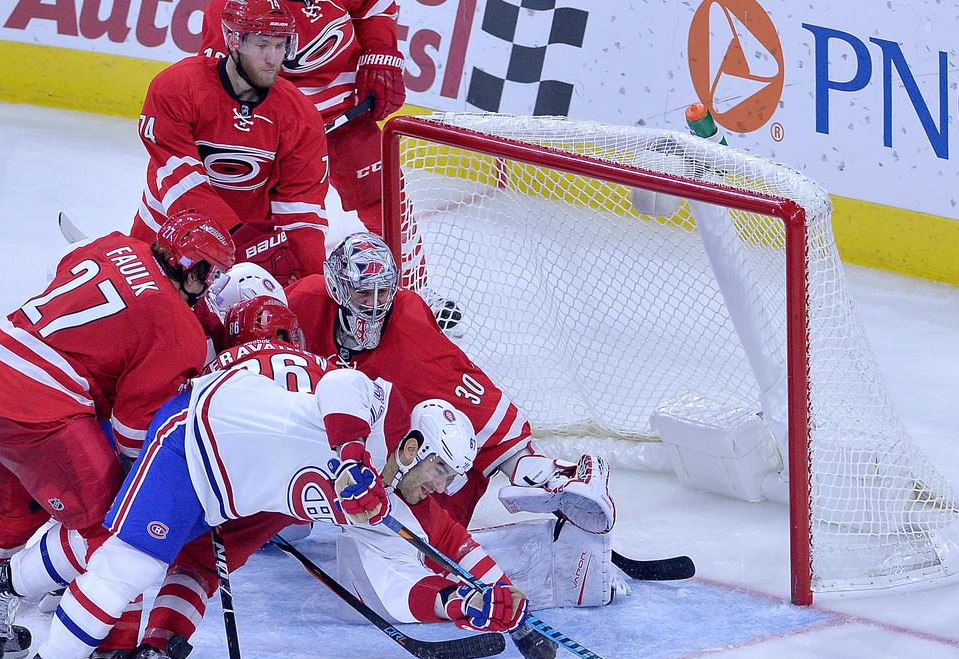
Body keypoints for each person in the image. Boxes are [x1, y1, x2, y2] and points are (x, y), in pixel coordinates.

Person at [0, 355, 526, 659]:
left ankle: (94, 645)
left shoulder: (390, 508)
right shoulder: (374, 408)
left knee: (170, 564)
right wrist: (351, 457)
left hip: (228, 498)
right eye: (439, 471)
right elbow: (342, 384)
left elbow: (400, 588)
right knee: (131, 563)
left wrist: (457, 605)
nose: (442, 488)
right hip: (197, 436)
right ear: (412, 450)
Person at [0, 212, 233, 659]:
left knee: (10, 511)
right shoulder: (179, 329)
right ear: (192, 268)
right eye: (209, 272)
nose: (210, 285)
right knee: (119, 528)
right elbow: (134, 432)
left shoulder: (114, 245)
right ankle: (110, 653)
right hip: (37, 415)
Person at [285, 232, 623, 615]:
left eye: (384, 292)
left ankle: (547, 570)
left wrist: (528, 466)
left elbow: (475, 402)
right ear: (338, 288)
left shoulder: (409, 333)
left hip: (404, 462)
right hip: (341, 445)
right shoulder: (302, 302)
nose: (377, 305)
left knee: (424, 548)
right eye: (365, 294)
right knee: (289, 519)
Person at [130, 0, 330, 286]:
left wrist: (311, 287)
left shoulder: (301, 117)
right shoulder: (176, 88)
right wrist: (237, 238)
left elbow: (301, 211)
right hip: (164, 236)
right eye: (262, 46)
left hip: (248, 254)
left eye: (280, 45)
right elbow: (182, 180)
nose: (273, 58)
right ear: (234, 40)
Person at [200, 0, 405, 238]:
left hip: (346, 116)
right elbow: (219, 80)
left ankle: (411, 276)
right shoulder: (231, 7)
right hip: (277, 132)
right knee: (274, 231)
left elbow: (374, 4)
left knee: (387, 210)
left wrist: (380, 52)